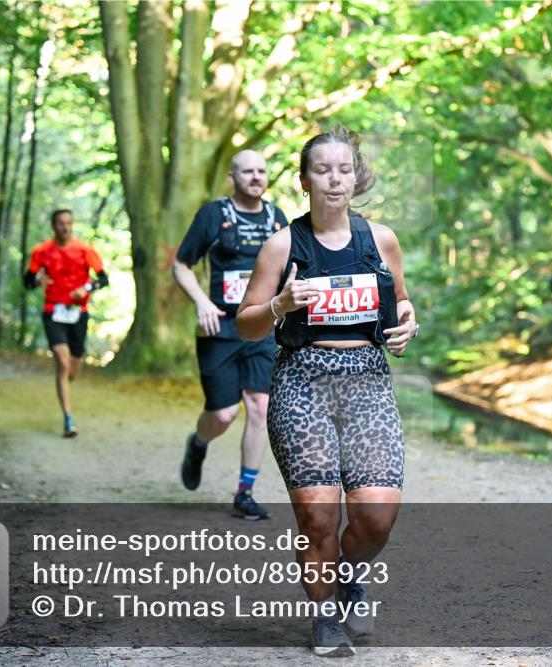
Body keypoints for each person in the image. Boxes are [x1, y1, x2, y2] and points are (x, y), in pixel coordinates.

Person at [237, 127, 420, 656]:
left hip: (367, 382)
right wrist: (282, 303)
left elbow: (402, 304)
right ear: (304, 180)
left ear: (355, 177)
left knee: (377, 516)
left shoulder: (380, 239)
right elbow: (246, 324)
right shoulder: (283, 244)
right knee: (318, 516)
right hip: (302, 384)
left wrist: (408, 325)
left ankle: (349, 577)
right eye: (322, 169)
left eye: (344, 169)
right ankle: (324, 620)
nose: (334, 179)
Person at [173, 149, 288, 520]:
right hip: (219, 327)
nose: (255, 177)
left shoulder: (277, 219)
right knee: (222, 414)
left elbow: (291, 270)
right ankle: (198, 442)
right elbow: (181, 264)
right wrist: (202, 302)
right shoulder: (214, 215)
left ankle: (245, 492)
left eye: (261, 171)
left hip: (261, 326)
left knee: (259, 407)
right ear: (232, 177)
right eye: (247, 171)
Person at [24, 209, 108, 438]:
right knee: (62, 361)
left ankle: (65, 382)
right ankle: (68, 419)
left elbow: (103, 279)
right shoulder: (41, 251)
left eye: (69, 223)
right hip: (53, 311)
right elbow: (28, 281)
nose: (65, 227)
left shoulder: (84, 250)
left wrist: (87, 288)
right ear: (53, 226)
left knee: (71, 369)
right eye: (61, 223)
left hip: (77, 313)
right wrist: (37, 281)